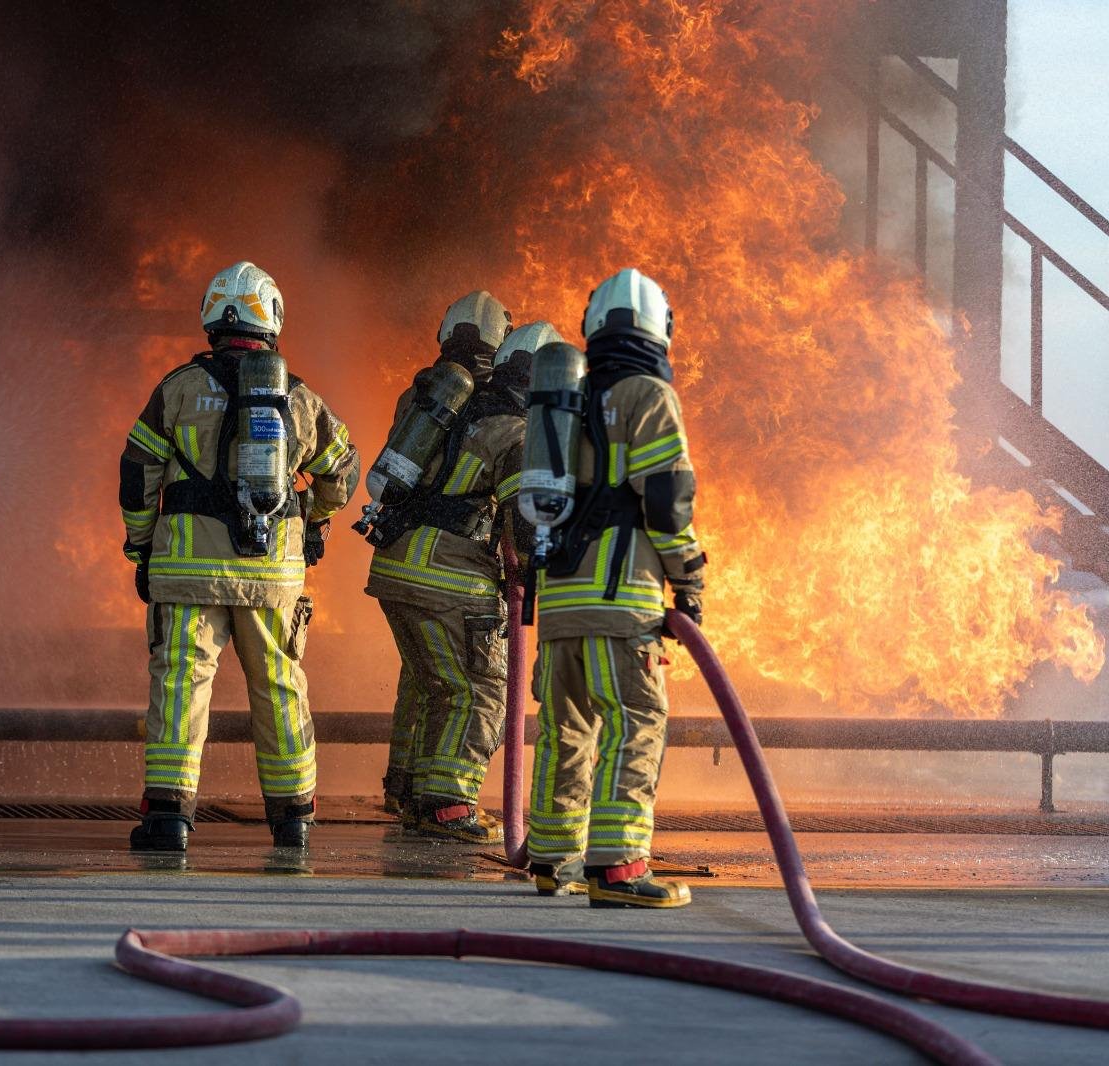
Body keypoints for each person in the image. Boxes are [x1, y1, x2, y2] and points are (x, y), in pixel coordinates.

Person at [118, 261, 360, 852]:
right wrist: (316, 519)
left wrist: (140, 544)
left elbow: (136, 472)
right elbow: (344, 471)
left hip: (186, 571)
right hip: (270, 571)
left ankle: (168, 818)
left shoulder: (175, 387)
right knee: (279, 683)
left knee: (180, 684)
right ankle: (293, 818)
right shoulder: (298, 398)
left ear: (211, 317)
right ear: (272, 319)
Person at [525, 269, 706, 907]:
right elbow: (665, 499)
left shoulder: (563, 400)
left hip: (559, 601)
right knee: (636, 720)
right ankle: (619, 867)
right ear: (660, 328)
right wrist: (688, 577)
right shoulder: (647, 394)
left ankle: (550, 857)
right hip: (620, 596)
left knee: (564, 728)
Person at [362, 297, 546, 844]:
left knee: (429, 681)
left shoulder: (431, 403)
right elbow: (524, 524)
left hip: (396, 561)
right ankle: (448, 803)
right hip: (450, 576)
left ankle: (411, 791)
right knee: (478, 688)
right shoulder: (514, 429)